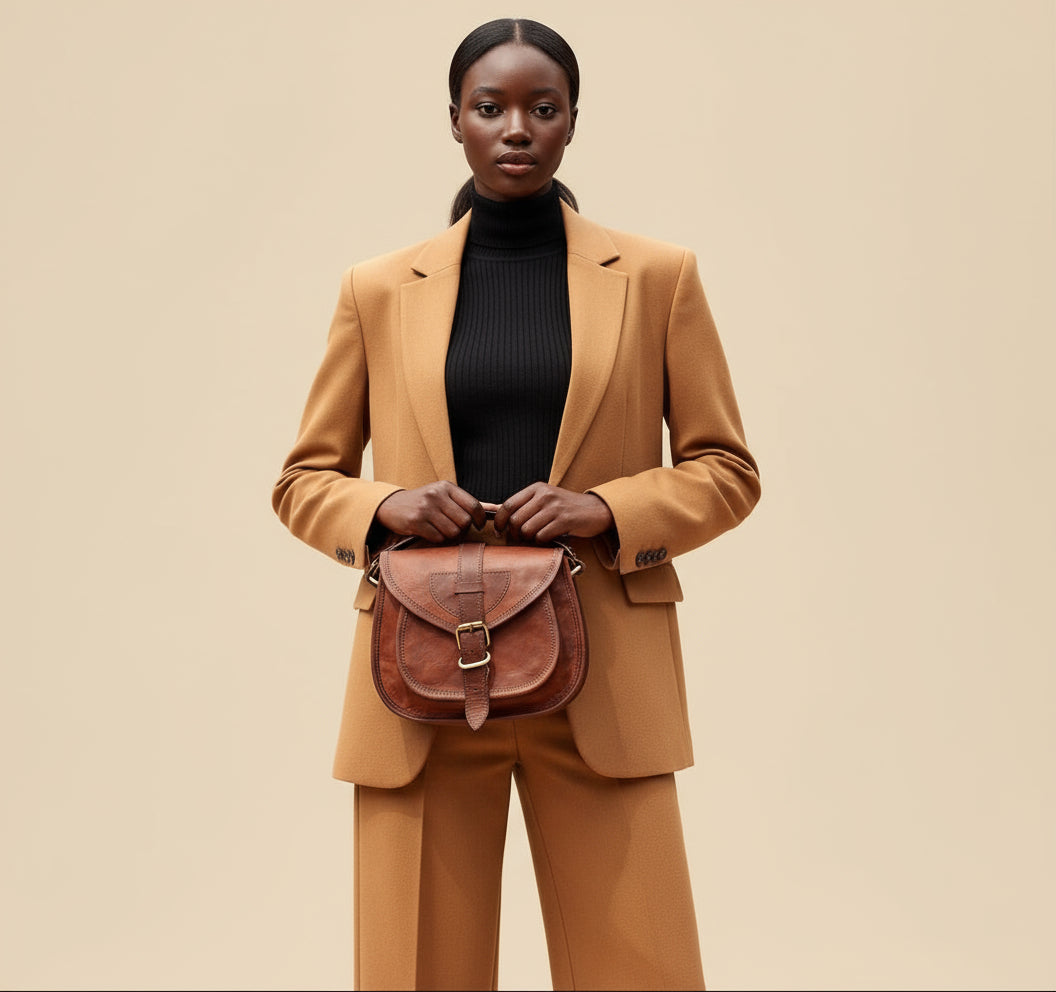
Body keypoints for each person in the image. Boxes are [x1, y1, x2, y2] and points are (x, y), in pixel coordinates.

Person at [272, 17, 760, 991]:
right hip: (419, 673)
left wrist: (608, 509)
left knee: (643, 970)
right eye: (489, 107)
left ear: (574, 120)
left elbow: (726, 467)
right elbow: (305, 478)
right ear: (453, 119)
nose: (516, 128)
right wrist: (390, 504)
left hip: (603, 672)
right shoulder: (376, 290)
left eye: (543, 108)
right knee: (417, 969)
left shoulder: (659, 281)